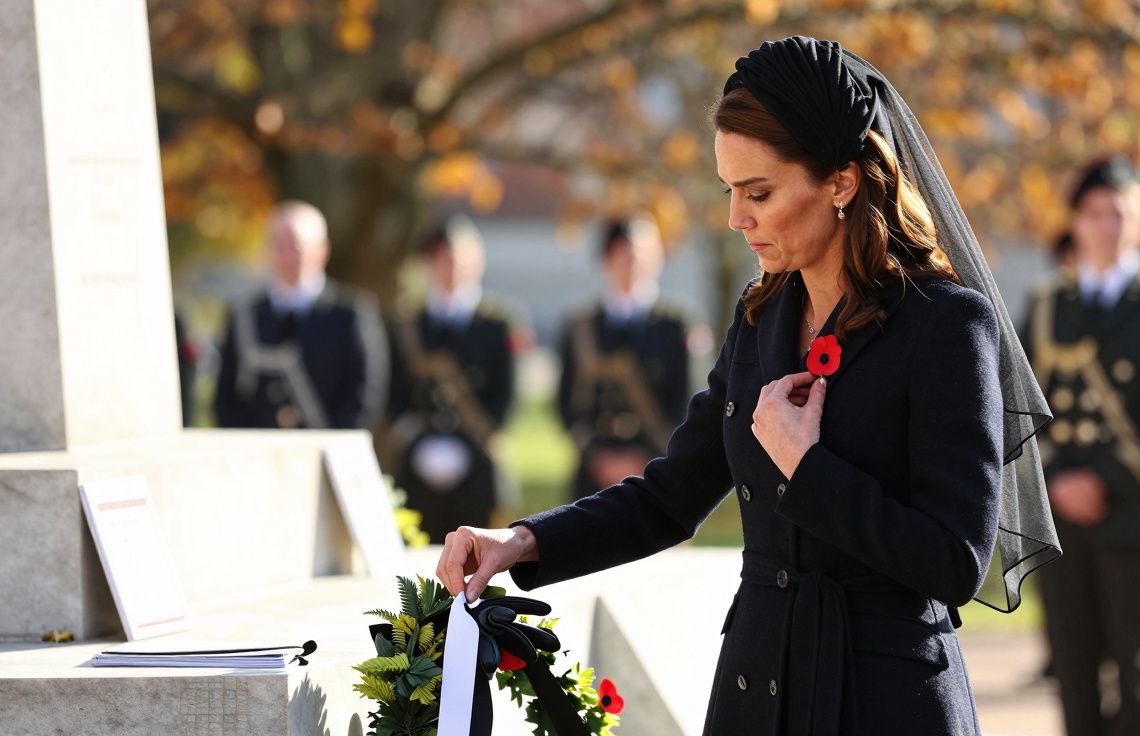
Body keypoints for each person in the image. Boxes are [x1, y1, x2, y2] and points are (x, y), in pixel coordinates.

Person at [437, 37, 1059, 734]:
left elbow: (955, 562)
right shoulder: (760, 316)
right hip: (755, 691)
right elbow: (670, 498)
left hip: (885, 702)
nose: (737, 218)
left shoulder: (945, 325)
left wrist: (808, 466)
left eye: (759, 192)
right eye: (730, 191)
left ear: (842, 183)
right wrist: (520, 541)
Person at [1023, 156, 1140, 736]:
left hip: (1136, 508)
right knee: (1074, 668)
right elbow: (1024, 403)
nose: (1107, 225)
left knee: (1134, 670)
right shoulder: (1050, 302)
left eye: (1120, 213)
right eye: (1095, 213)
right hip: (1061, 510)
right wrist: (1057, 481)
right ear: (1076, 221)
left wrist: (1102, 480)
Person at [388, 217, 521, 538]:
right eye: (444, 259)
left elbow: (506, 394)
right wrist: (418, 440)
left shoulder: (497, 322)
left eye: (461, 259)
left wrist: (474, 440)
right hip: (420, 454)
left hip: (476, 452)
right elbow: (394, 393)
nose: (453, 268)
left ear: (478, 262)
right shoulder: (410, 322)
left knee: (481, 549)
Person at [215, 200, 388, 430]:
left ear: (322, 251)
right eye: (280, 245)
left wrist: (334, 443)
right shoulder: (245, 315)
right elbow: (226, 397)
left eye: (297, 246)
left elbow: (367, 394)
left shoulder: (351, 314)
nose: (288, 256)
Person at [556, 218, 690, 500]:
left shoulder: (676, 325)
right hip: (594, 470)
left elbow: (687, 399)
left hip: (656, 467)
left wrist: (648, 456)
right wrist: (598, 456)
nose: (633, 264)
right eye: (625, 255)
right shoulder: (582, 326)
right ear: (606, 259)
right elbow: (566, 402)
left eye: (644, 255)